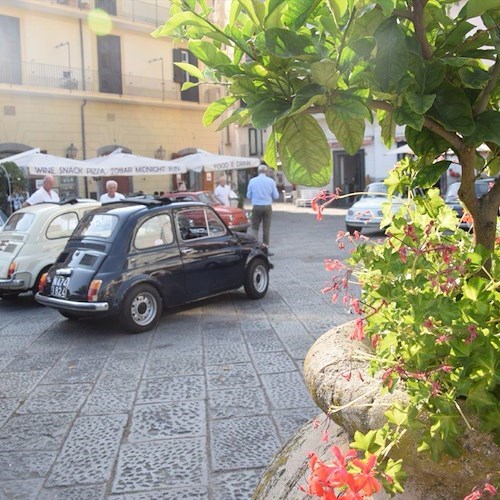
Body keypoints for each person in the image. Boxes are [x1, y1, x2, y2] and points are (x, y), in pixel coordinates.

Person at [246, 164, 279, 250]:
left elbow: (248, 195)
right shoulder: (271, 181)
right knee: (266, 228)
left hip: (256, 206)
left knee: (255, 227)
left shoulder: (252, 181)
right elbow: (276, 196)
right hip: (267, 206)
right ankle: (265, 248)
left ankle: (255, 247)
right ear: (266, 172)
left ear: (258, 172)